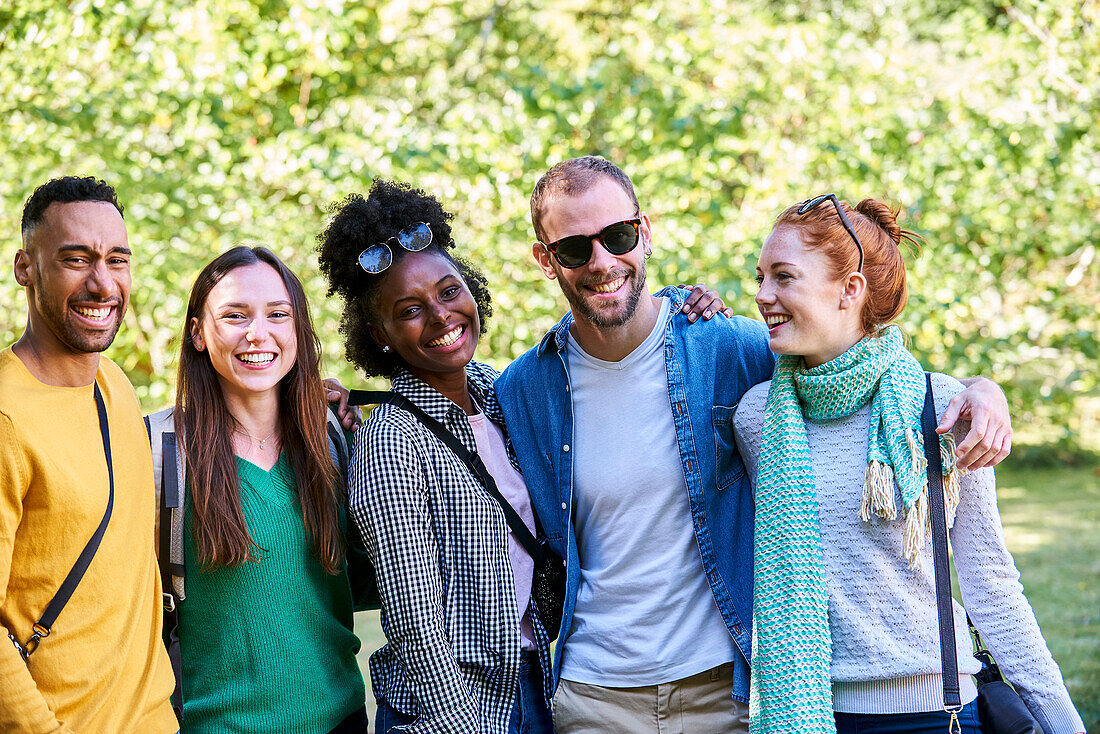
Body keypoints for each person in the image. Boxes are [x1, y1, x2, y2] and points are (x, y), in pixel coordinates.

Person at [494, 156, 1014, 734]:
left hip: (726, 688)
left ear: (644, 232)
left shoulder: (730, 348)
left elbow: (855, 362)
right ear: (545, 259)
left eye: (617, 236)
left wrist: (978, 390)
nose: (602, 261)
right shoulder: (522, 390)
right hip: (593, 696)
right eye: (573, 249)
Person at [733, 196, 1084, 734]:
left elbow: (991, 582)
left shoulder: (945, 408)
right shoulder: (759, 417)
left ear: (851, 289)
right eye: (760, 276)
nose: (762, 296)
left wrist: (1063, 723)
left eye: (783, 277)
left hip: (937, 712)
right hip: (809, 712)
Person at [144, 246, 371, 733]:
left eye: (277, 314)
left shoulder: (333, 438)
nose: (258, 333)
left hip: (343, 718)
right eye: (234, 315)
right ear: (198, 333)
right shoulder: (157, 451)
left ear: (297, 330)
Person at [0, 177, 178, 732]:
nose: (102, 283)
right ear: (26, 268)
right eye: (76, 259)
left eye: (117, 260)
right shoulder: (6, 416)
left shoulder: (116, 385)